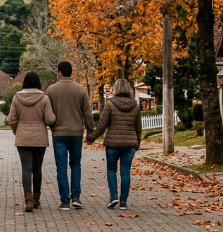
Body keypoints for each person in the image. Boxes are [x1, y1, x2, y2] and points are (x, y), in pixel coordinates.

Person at [85, 78, 142, 210]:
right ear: (128, 89)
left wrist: (90, 138)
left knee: (111, 169)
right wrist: (137, 143)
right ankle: (123, 202)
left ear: (115, 89)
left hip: (113, 144)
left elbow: (101, 126)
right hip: (129, 145)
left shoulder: (110, 104)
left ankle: (113, 196)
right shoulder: (135, 106)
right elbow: (138, 128)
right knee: (125, 172)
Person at [45, 61, 94, 211]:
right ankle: (76, 198)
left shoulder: (51, 90)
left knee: (61, 167)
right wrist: (90, 131)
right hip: (76, 133)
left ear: (59, 73)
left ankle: (65, 201)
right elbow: (87, 112)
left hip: (59, 133)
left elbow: (46, 111)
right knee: (75, 165)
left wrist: (50, 125)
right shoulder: (80, 90)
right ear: (71, 72)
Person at [8, 72, 56, 213]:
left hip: (23, 138)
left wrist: (18, 131)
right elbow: (50, 120)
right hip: (39, 138)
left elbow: (11, 119)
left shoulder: (16, 98)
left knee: (26, 169)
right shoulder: (44, 98)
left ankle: (28, 201)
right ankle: (36, 200)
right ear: (39, 82)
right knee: (37, 169)